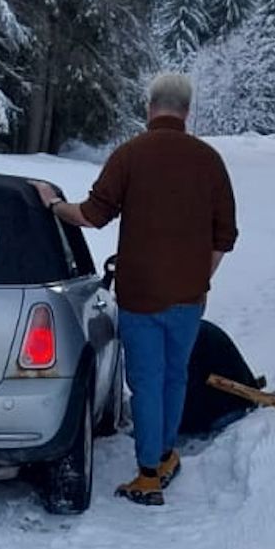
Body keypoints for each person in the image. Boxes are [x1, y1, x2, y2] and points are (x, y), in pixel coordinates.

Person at [35, 72, 237, 506]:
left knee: (145, 382)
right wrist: (199, 277)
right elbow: (225, 236)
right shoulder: (210, 161)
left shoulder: (130, 155)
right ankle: (163, 455)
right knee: (174, 376)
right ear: (187, 110)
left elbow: (91, 215)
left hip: (141, 294)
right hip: (189, 297)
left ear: (150, 107)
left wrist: (53, 205)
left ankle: (148, 475)